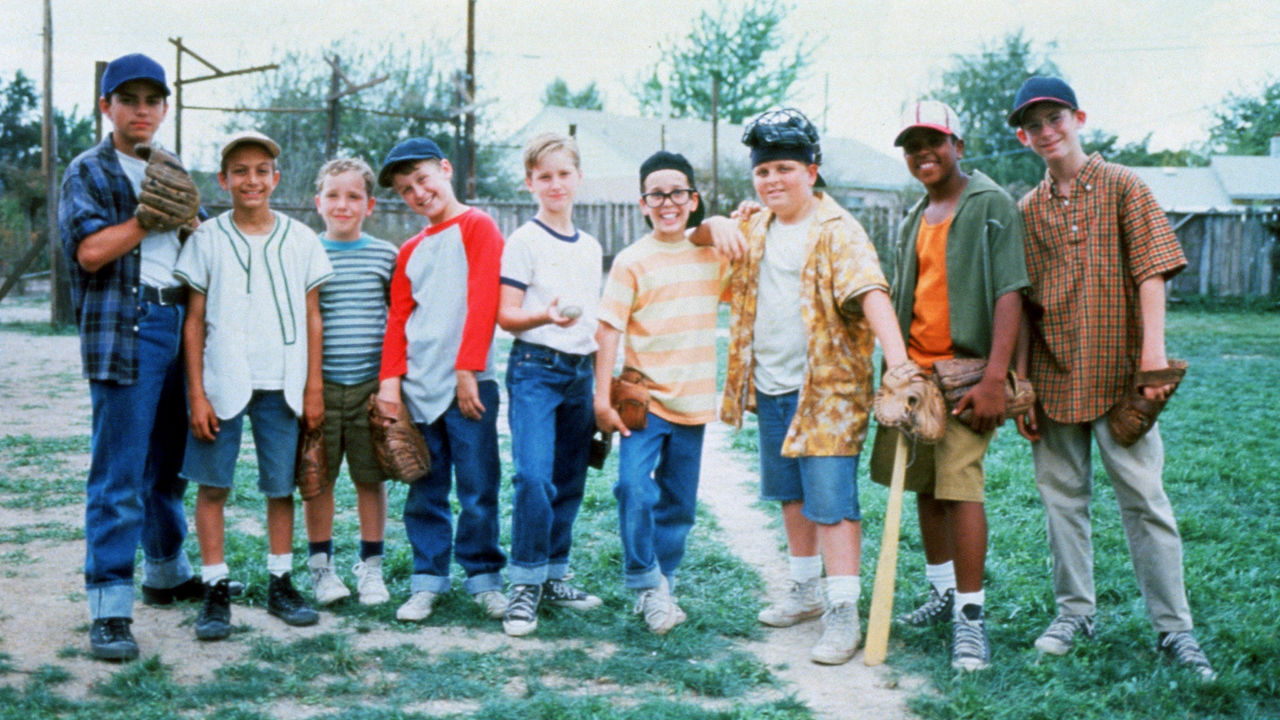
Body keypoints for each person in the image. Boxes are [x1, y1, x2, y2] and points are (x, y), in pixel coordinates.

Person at [1008, 76, 1215, 680]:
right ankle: (1075, 613)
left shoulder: (1125, 185)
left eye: (1056, 118)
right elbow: (1022, 304)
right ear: (1024, 136)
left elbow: (1153, 271)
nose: (1048, 131)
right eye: (1034, 125)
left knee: (1144, 500)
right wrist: (1021, 382)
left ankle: (1174, 630)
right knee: (1062, 501)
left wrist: (1153, 357)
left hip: (1122, 372)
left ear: (1079, 118)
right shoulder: (1028, 209)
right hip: (1052, 377)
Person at [697, 107, 910, 666]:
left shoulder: (837, 229)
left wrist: (900, 363)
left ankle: (843, 611)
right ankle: (805, 591)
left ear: (812, 172)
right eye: (763, 171)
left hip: (828, 392)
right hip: (771, 385)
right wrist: (714, 223)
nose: (773, 180)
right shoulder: (754, 226)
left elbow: (871, 292)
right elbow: (691, 239)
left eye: (785, 168)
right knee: (790, 494)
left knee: (832, 503)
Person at [867, 100, 1028, 672]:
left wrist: (994, 378)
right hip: (921, 378)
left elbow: (1011, 292)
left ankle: (970, 616)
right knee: (926, 487)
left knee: (961, 488)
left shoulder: (990, 204)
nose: (923, 154)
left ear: (957, 143)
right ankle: (941, 593)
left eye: (933, 141)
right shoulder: (915, 216)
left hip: (966, 375)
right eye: (911, 146)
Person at [59, 53, 203, 661]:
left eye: (152, 100)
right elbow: (91, 252)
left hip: (178, 317)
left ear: (164, 108)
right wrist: (147, 218)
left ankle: (166, 570)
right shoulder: (87, 169)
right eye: (128, 99)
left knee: (168, 463)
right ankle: (109, 605)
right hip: (128, 321)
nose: (141, 110)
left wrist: (192, 221)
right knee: (118, 472)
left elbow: (194, 237)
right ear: (106, 107)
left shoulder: (171, 165)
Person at [174, 131, 333, 641]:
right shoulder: (207, 239)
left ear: (276, 178)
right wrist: (196, 393)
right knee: (213, 484)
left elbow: (313, 318)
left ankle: (280, 580)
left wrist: (313, 387)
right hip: (223, 380)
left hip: (283, 379)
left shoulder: (300, 238)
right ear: (222, 180)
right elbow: (194, 321)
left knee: (280, 486)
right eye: (239, 170)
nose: (251, 179)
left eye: (261, 170)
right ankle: (216, 586)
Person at [594, 151, 730, 634]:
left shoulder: (714, 257)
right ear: (642, 203)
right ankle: (644, 582)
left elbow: (750, 272)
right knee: (632, 487)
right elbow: (608, 330)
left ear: (693, 200)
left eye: (677, 192)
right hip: (644, 403)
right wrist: (601, 398)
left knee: (678, 502)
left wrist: (724, 224)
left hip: (693, 402)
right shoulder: (632, 260)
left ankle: (663, 583)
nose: (667, 201)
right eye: (657, 194)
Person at [375, 137, 508, 623]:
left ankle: (484, 577)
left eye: (423, 179)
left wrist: (467, 369)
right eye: (406, 189)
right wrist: (391, 383)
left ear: (446, 170)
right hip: (419, 387)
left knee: (477, 487)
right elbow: (398, 320)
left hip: (469, 385)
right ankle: (427, 579)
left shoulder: (477, 226)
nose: (418, 192)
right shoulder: (410, 249)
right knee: (425, 488)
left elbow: (482, 302)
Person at [496, 133, 604, 636]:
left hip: (580, 372)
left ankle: (554, 573)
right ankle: (523, 583)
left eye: (564, 174)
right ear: (530, 183)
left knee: (569, 478)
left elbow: (599, 323)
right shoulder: (524, 240)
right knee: (534, 477)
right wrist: (546, 314)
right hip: (536, 368)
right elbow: (506, 315)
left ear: (579, 178)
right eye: (545, 176)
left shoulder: (591, 246)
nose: (555, 184)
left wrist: (603, 382)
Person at [302, 157, 398, 607]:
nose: (343, 205)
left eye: (354, 196)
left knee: (369, 476)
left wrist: (389, 383)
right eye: (333, 195)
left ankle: (372, 568)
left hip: (369, 387)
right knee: (317, 478)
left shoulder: (385, 255)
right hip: (318, 385)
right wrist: (308, 386)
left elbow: (397, 321)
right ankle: (321, 570)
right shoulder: (304, 252)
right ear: (318, 202)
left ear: (370, 204)